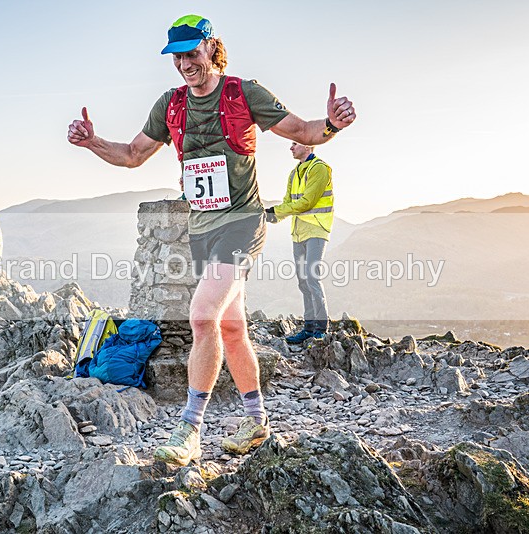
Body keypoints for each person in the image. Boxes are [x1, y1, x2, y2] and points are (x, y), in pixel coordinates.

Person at [67, 14, 356, 466]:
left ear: (211, 48)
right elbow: (131, 155)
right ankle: (257, 419)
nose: (185, 63)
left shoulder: (244, 93)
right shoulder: (171, 105)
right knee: (231, 328)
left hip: (242, 223)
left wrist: (333, 125)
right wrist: (91, 143)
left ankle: (189, 429)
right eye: (177, 56)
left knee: (201, 315)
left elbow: (303, 132)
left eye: (192, 52)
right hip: (201, 230)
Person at [266, 142, 333, 343]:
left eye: (295, 143)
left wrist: (276, 213)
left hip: (317, 230)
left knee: (312, 278)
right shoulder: (294, 173)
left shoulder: (319, 168)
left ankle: (321, 327)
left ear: (308, 145)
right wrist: (271, 216)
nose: (291, 147)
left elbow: (307, 202)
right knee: (303, 281)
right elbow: (288, 202)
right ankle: (309, 328)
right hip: (298, 233)